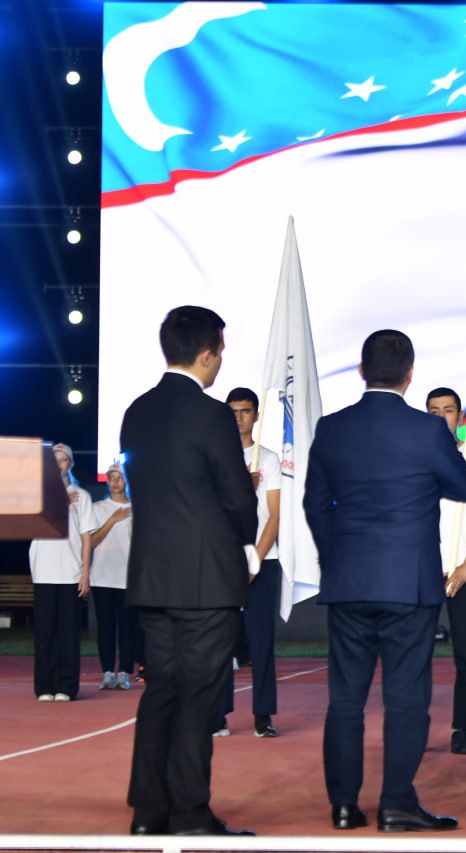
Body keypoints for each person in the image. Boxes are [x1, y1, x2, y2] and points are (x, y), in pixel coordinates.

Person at [304, 330, 466, 833]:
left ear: (362, 371)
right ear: (410, 374)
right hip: (409, 586)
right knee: (406, 700)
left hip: (349, 582)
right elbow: (465, 487)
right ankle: (397, 803)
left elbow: (315, 503)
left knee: (345, 701)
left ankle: (343, 806)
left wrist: (337, 558)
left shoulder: (332, 428)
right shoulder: (428, 430)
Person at [120, 306, 258, 836]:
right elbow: (236, 497)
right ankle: (190, 812)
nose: (220, 361)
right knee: (198, 697)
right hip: (207, 578)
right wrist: (245, 536)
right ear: (206, 354)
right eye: (219, 351)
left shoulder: (136, 411)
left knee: (161, 692)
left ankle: (148, 811)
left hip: (153, 575)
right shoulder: (211, 414)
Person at [216, 388, 283, 738]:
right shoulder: (215, 458)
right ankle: (218, 715)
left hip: (263, 561)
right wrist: (242, 483)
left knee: (261, 641)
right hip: (223, 562)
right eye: (233, 411)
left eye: (245, 411)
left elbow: (274, 515)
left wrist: (254, 560)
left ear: (256, 415)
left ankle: (263, 715)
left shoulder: (268, 458)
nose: (239, 418)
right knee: (220, 642)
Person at [425, 386, 466, 756]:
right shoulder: (417, 459)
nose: (441, 417)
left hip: (465, 574)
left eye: (447, 410)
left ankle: (462, 729)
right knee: (414, 656)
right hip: (424, 572)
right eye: (433, 411)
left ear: (460, 417)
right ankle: (414, 725)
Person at [28, 442, 95, 702]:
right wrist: (59, 502)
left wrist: (85, 572)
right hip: (43, 571)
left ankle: (66, 686)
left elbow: (86, 537)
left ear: (71, 464)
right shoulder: (37, 495)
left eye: (63, 460)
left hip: (69, 572)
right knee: (45, 633)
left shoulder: (81, 496)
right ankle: (44, 686)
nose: (58, 465)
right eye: (54, 460)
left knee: (68, 633)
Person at [89, 461, 135, 691]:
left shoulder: (137, 508)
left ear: (127, 480)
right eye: (112, 478)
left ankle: (124, 672)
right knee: (106, 627)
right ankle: (107, 672)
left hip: (127, 578)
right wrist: (113, 519)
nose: (115, 482)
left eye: (119, 477)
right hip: (102, 577)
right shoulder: (98, 508)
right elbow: (93, 541)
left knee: (127, 628)